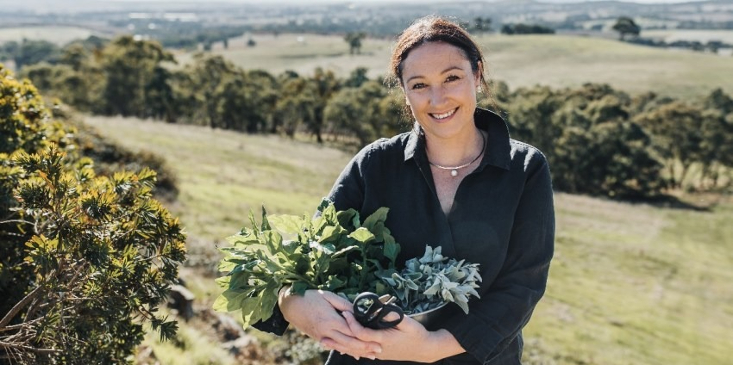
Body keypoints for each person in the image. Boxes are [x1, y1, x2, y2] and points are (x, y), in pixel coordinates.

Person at [257, 15, 555, 365]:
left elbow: (521, 288)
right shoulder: (375, 165)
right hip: (369, 356)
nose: (438, 98)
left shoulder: (525, 169)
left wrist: (431, 347)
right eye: (419, 85)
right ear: (404, 92)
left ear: (477, 74)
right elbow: (308, 255)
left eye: (452, 78)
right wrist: (293, 301)